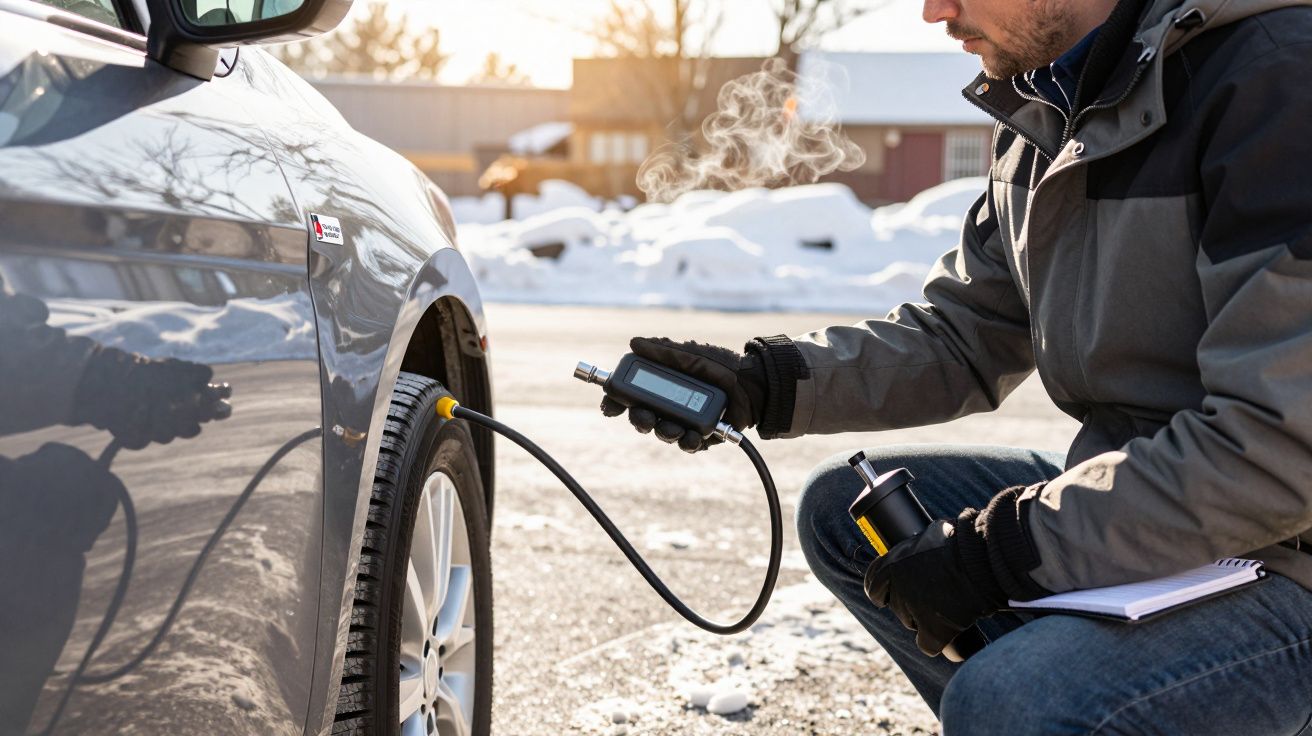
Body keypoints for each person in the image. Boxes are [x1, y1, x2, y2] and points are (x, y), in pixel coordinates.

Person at [600, 0, 1312, 731]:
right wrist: (767, 383)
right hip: (1169, 510)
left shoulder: (1277, 81)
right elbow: (963, 334)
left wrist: (999, 553)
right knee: (848, 510)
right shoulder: (1050, 107)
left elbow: (1280, 451)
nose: (934, 11)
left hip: (1288, 548)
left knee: (1013, 699)